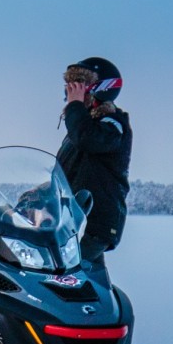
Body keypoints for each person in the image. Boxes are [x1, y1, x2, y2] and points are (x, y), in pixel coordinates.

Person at [57, 57, 131, 270]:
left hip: (95, 221)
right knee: (84, 280)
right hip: (76, 219)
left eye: (79, 86)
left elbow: (87, 138)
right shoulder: (82, 126)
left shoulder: (113, 123)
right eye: (70, 87)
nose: (71, 92)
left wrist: (75, 106)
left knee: (68, 273)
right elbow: (63, 172)